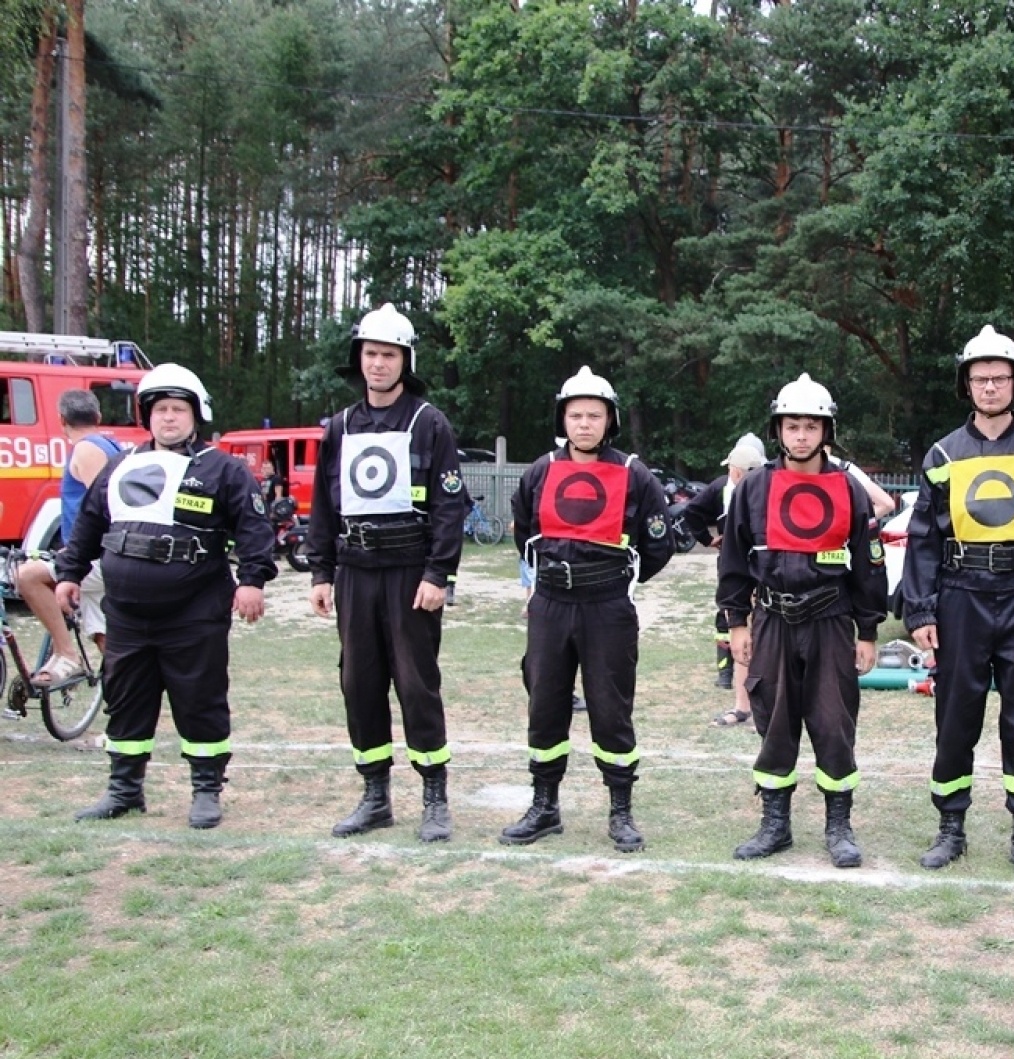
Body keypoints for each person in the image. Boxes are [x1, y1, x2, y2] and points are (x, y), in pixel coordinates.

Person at [57, 364, 276, 828]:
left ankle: (206, 790)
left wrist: (253, 581)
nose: (169, 417)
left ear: (196, 415)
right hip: (127, 615)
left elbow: (254, 529)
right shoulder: (119, 467)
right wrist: (69, 574)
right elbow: (89, 524)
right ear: (147, 415)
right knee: (125, 700)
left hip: (194, 612)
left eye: (178, 409)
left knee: (199, 700)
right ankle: (124, 789)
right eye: (160, 409)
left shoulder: (223, 470)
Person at [901, 325, 1014, 876]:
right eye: (981, 379)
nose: (991, 387)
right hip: (961, 596)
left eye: (1000, 377)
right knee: (956, 717)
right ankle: (951, 827)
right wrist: (921, 610)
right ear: (967, 385)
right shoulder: (942, 454)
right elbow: (923, 538)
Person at [308, 303, 468, 843]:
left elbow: (449, 506)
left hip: (409, 575)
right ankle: (375, 796)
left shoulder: (429, 423)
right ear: (359, 359)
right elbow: (324, 505)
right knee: (359, 684)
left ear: (405, 361)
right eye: (371, 354)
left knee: (417, 685)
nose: (378, 364)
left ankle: (434, 797)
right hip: (355, 574)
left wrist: (438, 573)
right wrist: (321, 572)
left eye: (389, 355)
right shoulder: (339, 427)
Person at [501, 366, 674, 853]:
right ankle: (544, 806)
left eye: (593, 415)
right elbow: (523, 530)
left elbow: (658, 544)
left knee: (611, 707)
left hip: (607, 607)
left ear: (609, 420)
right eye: (575, 415)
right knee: (545, 705)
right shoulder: (540, 470)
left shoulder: (633, 473)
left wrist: (615, 583)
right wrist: (548, 578)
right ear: (563, 418)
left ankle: (620, 811)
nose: (584, 424)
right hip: (551, 604)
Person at [717, 374, 888, 867]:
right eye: (792, 426)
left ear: (826, 431)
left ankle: (839, 826)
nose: (801, 435)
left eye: (811, 426)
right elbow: (733, 560)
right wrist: (737, 622)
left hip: (830, 621)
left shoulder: (848, 488)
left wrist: (868, 630)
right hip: (772, 620)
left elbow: (868, 563)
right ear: (778, 430)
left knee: (834, 723)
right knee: (774, 721)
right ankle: (776, 825)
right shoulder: (755, 487)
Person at [15, 389, 121, 685]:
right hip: (100, 556)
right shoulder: (111, 444)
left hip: (95, 558)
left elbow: (105, 508)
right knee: (105, 641)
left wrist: (75, 553)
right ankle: (126, 700)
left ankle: (66, 654)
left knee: (28, 577)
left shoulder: (86, 450)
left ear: (61, 420)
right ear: (98, 416)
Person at [678, 432, 766, 722]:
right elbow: (692, 511)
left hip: (761, 569)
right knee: (737, 623)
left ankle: (757, 705)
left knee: (759, 630)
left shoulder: (767, 488)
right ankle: (740, 700)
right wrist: (709, 539)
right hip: (738, 567)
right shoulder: (724, 488)